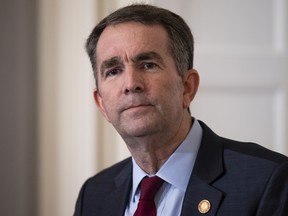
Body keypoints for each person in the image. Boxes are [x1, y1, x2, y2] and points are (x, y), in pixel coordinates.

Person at [74, 4, 288, 216]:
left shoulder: (269, 181)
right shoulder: (94, 194)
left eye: (148, 64)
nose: (131, 83)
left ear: (187, 87)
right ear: (101, 103)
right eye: (113, 71)